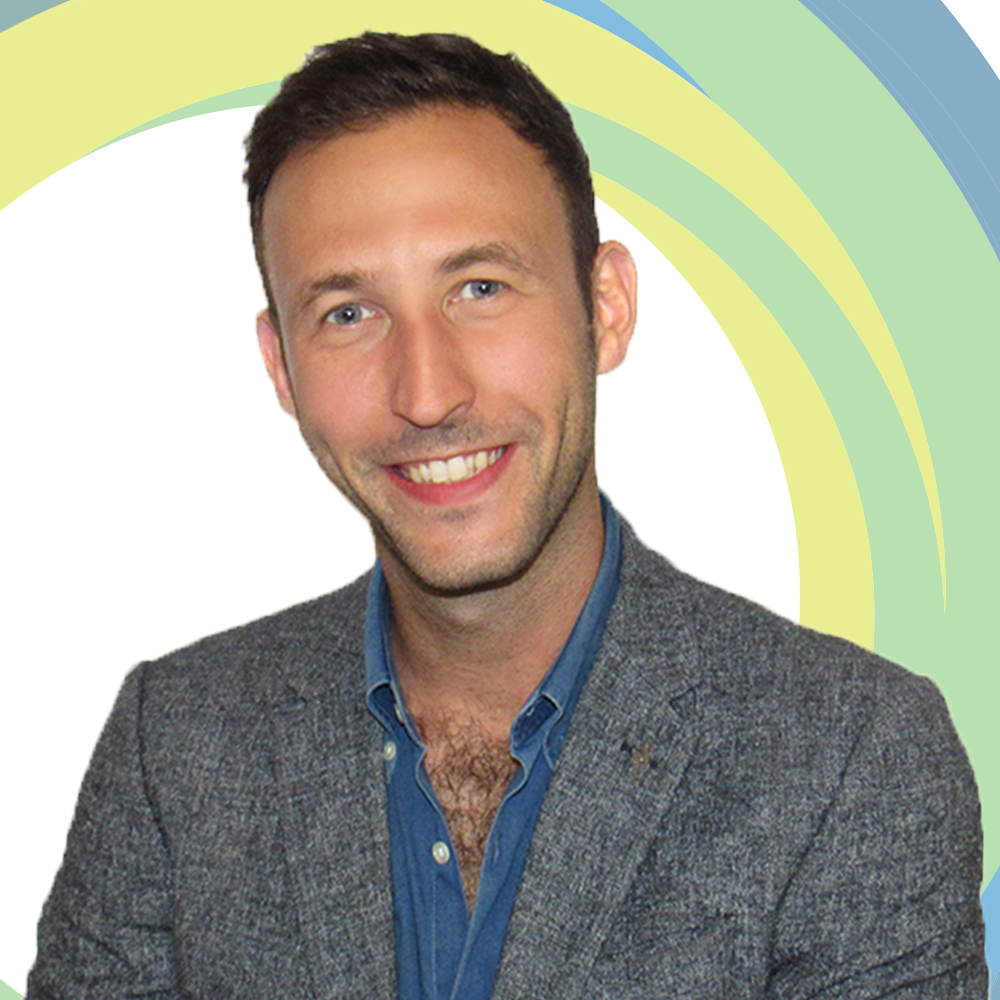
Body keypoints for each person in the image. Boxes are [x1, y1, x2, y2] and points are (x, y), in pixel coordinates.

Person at [28, 32, 987, 1000]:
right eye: (348, 313)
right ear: (282, 367)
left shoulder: (851, 756)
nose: (426, 393)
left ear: (604, 307)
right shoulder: (174, 746)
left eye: (479, 289)